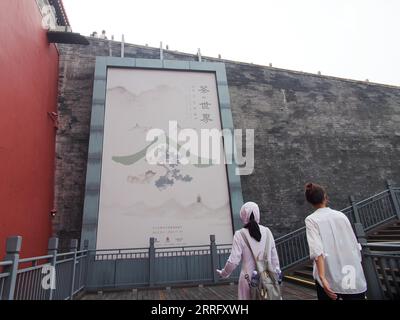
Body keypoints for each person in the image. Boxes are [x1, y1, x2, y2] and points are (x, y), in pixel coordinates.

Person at [304, 182, 367, 300]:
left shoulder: (311, 220)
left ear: (310, 201)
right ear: (325, 197)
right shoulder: (341, 216)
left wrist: (322, 278)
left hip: (330, 277)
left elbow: (317, 250)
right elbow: (353, 244)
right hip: (352, 275)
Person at [216, 202, 281, 300]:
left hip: (248, 279)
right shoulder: (267, 232)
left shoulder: (240, 234)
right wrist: (275, 277)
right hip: (267, 279)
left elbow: (233, 261)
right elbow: (274, 259)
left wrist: (224, 273)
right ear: (257, 214)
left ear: (243, 215)